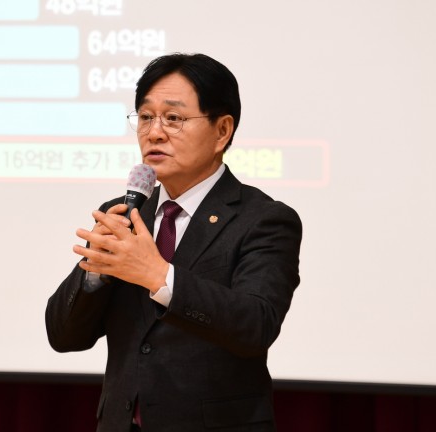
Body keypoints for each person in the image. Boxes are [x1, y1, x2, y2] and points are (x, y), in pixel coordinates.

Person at [45, 53, 302, 432]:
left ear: (222, 130)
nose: (154, 133)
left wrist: (159, 276)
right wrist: (95, 275)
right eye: (145, 117)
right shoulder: (125, 214)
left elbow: (255, 326)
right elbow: (63, 336)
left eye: (174, 118)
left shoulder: (262, 219)